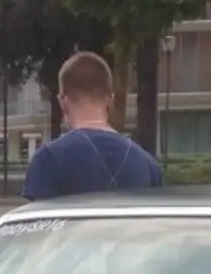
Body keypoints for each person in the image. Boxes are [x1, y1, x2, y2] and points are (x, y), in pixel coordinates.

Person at [22, 52, 162, 200]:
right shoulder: (148, 165)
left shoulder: (48, 160)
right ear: (110, 100)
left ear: (63, 101)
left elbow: (39, 222)